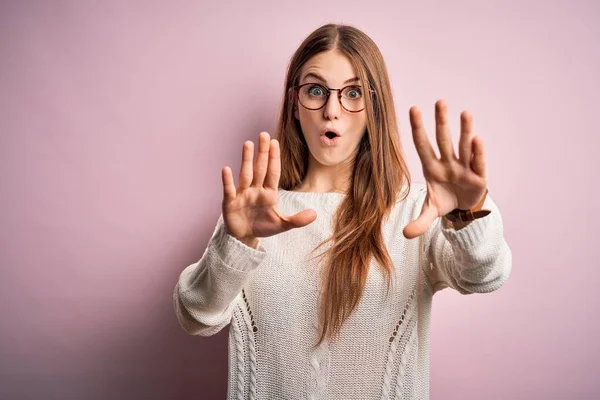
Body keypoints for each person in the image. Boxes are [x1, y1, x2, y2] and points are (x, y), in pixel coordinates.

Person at [173, 23, 512, 399]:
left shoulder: (417, 212)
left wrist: (467, 212)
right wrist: (236, 241)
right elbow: (196, 316)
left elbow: (485, 274)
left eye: (352, 93)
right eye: (316, 90)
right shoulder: (255, 215)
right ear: (295, 105)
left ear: (373, 109)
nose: (332, 111)